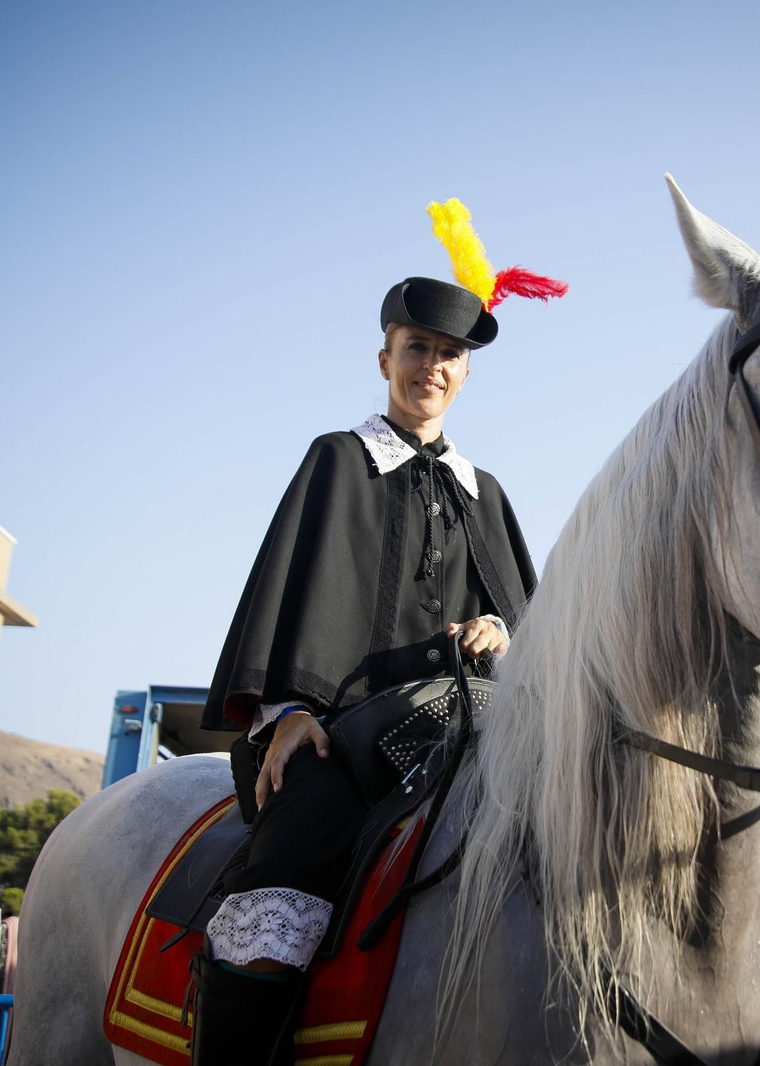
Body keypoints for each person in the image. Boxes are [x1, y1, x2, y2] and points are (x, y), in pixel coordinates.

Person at [189, 275, 539, 1065]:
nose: (432, 367)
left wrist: (502, 631)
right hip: (343, 735)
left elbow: (531, 624)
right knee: (282, 885)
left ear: (467, 372)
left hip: (473, 726)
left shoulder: (488, 494)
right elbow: (289, 589)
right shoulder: (337, 459)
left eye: (449, 354)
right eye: (418, 349)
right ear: (385, 357)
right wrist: (287, 713)